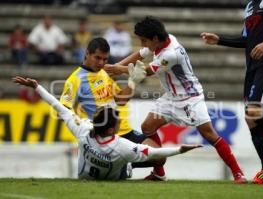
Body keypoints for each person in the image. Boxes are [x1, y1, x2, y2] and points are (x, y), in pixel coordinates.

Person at [104, 16, 247, 183]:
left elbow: (146, 71)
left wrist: (116, 69)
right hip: (171, 98)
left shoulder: (171, 54)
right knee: (147, 126)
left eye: (144, 40)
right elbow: (139, 55)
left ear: (155, 39)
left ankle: (238, 173)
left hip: (190, 99)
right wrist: (116, 67)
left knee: (209, 135)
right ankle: (159, 173)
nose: (143, 44)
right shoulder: (163, 40)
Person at [12, 76, 201, 180]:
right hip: (115, 170)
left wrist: (37, 87)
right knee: (142, 161)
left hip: (85, 176)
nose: (120, 121)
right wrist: (180, 149)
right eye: (117, 120)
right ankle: (126, 168)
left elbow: (57, 106)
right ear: (111, 129)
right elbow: (153, 153)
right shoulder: (121, 146)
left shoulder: (83, 130)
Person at [201, 0, 263, 184]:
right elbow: (247, 40)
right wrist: (220, 40)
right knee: (250, 118)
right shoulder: (250, 6)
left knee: (255, 111)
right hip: (253, 67)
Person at [60, 37, 167, 181]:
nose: (101, 63)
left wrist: (133, 82)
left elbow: (121, 100)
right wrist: (84, 129)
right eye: (97, 58)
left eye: (104, 59)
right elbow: (64, 109)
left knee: (160, 156)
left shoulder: (103, 73)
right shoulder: (75, 80)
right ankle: (119, 166)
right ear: (87, 53)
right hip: (104, 137)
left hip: (124, 130)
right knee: (114, 178)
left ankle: (126, 164)